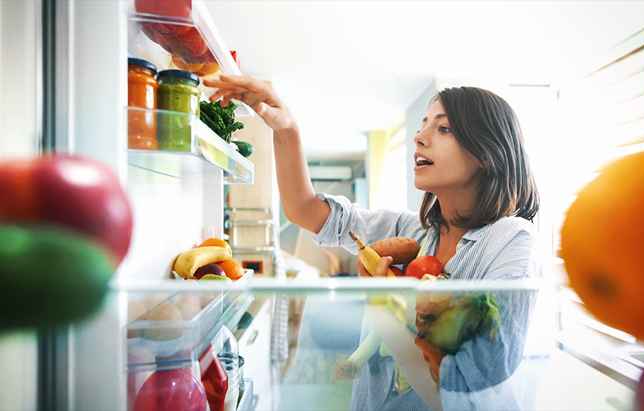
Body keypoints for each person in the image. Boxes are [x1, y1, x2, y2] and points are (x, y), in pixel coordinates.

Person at [205, 75, 541, 411]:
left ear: (486, 151)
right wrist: (285, 128)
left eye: (443, 129)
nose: (419, 137)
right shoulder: (414, 230)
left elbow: (472, 380)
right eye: (423, 125)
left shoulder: (510, 239)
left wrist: (384, 306)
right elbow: (304, 209)